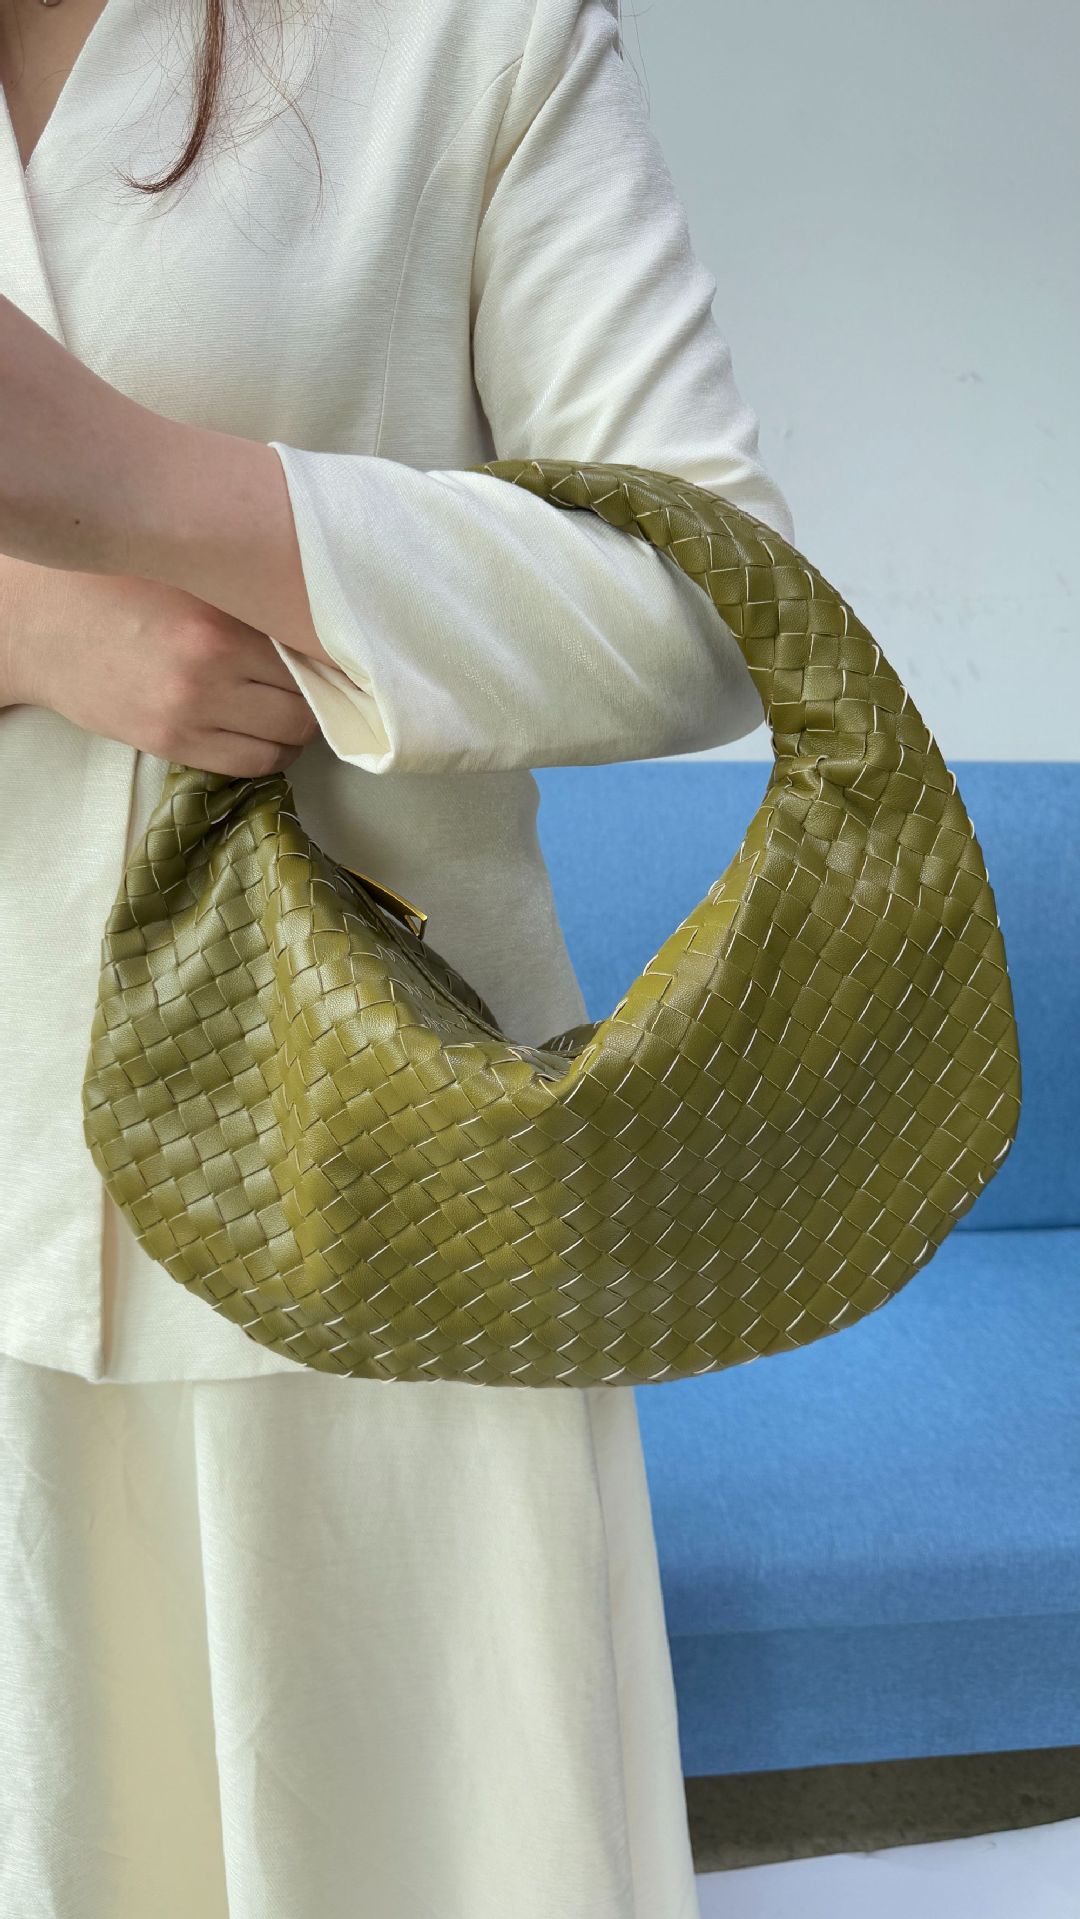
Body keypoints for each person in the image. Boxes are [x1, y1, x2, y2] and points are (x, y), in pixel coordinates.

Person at [0, 0, 796, 1910]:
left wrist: (159, 493)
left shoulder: (465, 35)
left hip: (367, 1188)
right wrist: (27, 632)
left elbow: (707, 594)